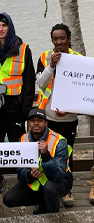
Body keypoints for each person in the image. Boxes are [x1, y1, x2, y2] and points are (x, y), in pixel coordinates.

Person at [0, 12, 35, 191]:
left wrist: (26, 108)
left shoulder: (23, 48)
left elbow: (29, 81)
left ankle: (22, 176)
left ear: (9, 27)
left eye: (4, 26)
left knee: (16, 143)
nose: (1, 29)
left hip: (15, 105)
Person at [36, 23, 82, 207]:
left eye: (62, 38)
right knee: (48, 153)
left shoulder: (78, 59)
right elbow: (40, 83)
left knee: (67, 153)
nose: (59, 42)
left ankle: (66, 189)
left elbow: (82, 91)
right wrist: (51, 66)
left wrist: (70, 109)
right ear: (52, 39)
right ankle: (48, 188)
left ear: (69, 39)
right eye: (55, 39)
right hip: (49, 117)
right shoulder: (44, 57)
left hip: (69, 118)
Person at [3, 108, 73, 214]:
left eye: (40, 121)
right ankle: (45, 203)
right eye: (32, 120)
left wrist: (46, 155)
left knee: (50, 188)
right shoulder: (23, 138)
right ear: (28, 123)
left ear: (46, 123)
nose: (36, 123)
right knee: (8, 199)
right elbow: (20, 168)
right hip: (36, 180)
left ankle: (53, 217)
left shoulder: (59, 141)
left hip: (60, 181)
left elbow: (57, 176)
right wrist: (29, 175)